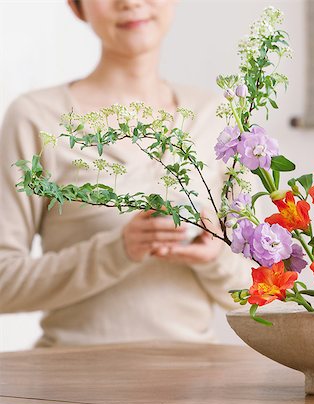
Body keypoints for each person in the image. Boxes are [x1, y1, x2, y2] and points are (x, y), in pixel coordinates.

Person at [0, 0, 252, 347]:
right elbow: (3, 283)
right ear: (76, 7)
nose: (130, 2)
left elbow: (261, 292)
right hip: (68, 387)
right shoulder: (36, 118)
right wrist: (118, 251)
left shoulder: (219, 120)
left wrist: (215, 258)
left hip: (197, 387)